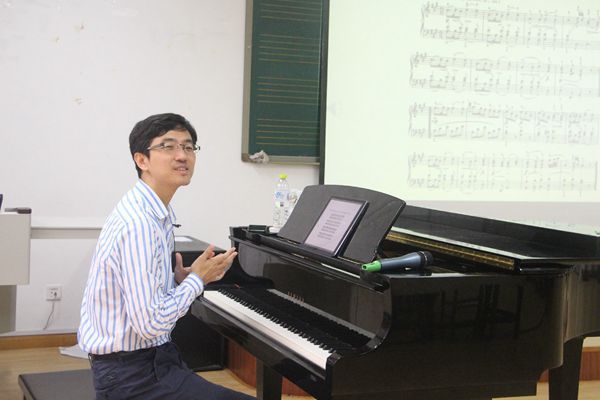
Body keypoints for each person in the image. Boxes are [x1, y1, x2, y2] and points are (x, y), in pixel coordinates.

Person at [78, 113, 255, 399]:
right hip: (131, 376)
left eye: (188, 147)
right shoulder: (140, 223)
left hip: (154, 359)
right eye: (168, 146)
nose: (182, 156)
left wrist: (177, 281)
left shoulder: (154, 211)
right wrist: (197, 281)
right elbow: (150, 324)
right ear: (142, 160)